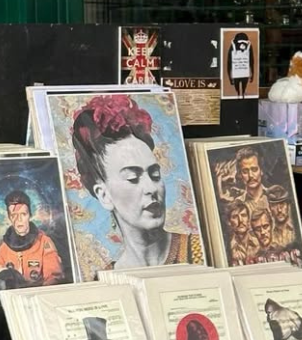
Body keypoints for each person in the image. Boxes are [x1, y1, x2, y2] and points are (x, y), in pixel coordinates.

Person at [71, 94, 203, 271]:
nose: (151, 188)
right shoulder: (105, 278)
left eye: (155, 175)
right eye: (133, 178)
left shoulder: (199, 252)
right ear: (104, 195)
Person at [0, 189, 65, 304]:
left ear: (29, 215)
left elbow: (54, 278)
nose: (19, 220)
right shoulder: (4, 248)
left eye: (23, 214)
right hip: (13, 303)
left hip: (39, 302)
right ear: (9, 218)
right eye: (14, 215)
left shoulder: (44, 243)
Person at [267, 184, 299, 255]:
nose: (279, 210)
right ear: (270, 208)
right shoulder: (267, 232)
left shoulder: (297, 228)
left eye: (282, 204)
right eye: (274, 205)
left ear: (288, 205)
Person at [226, 200, 256, 265]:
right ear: (229, 222)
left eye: (243, 215)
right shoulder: (228, 247)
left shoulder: (258, 243)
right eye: (235, 217)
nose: (241, 220)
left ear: (248, 219)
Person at [228, 32, 253, 98]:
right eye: (240, 42)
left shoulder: (248, 48)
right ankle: (239, 93)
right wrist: (230, 78)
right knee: (237, 84)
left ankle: (243, 93)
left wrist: (252, 75)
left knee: (244, 84)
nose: (242, 44)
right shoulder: (233, 49)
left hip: (244, 71)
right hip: (236, 71)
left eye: (244, 42)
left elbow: (251, 61)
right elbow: (229, 63)